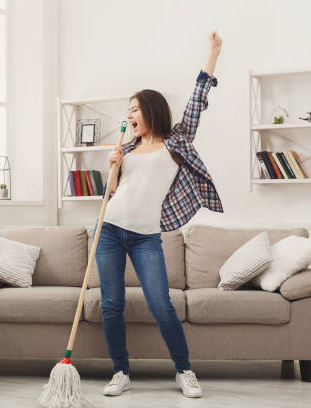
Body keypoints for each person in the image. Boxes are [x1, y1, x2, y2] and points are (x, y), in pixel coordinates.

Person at [92, 30, 224, 399]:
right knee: (112, 304)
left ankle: (184, 370)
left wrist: (212, 53)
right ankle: (120, 372)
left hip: (146, 235)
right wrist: (114, 165)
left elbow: (198, 100)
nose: (129, 115)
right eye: (127, 110)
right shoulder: (126, 147)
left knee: (161, 304)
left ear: (150, 111)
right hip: (108, 229)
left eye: (134, 108)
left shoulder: (176, 141)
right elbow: (113, 193)